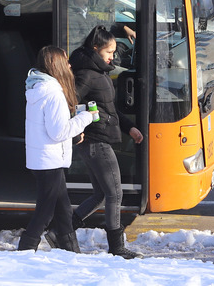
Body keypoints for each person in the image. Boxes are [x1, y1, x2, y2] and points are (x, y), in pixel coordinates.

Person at [67, 25, 144, 259]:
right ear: (95, 49)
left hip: (97, 139)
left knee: (101, 193)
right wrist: (76, 128)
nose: (113, 56)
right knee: (115, 193)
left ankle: (63, 229)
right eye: (109, 52)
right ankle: (116, 246)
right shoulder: (87, 75)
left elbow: (108, 108)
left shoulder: (99, 72)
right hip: (94, 140)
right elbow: (70, 102)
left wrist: (129, 128)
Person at [18, 46, 96, 252]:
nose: (70, 65)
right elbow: (59, 132)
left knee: (63, 211)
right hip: (50, 160)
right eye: (66, 61)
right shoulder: (54, 94)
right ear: (58, 65)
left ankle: (72, 251)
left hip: (43, 157)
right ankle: (25, 250)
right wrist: (85, 117)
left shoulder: (37, 89)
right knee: (45, 213)